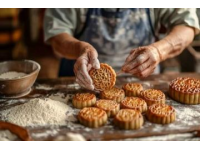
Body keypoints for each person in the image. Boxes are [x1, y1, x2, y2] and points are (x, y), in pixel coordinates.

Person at [44, 8, 200, 90]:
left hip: (143, 78)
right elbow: (57, 33)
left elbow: (187, 26)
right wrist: (80, 49)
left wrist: (158, 51)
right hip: (78, 76)